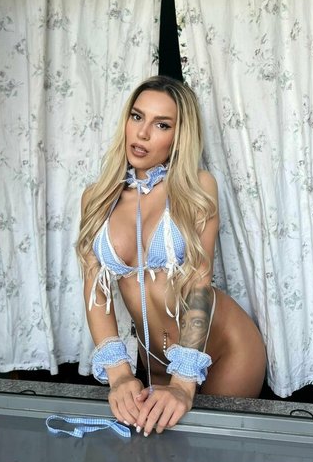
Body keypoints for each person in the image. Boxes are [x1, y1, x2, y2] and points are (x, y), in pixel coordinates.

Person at [77, 75, 266, 437]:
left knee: (211, 453)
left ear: (179, 136)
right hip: (155, 358)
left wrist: (183, 380)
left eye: (161, 124)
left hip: (225, 348)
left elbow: (199, 281)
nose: (143, 133)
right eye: (137, 117)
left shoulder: (197, 188)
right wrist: (118, 374)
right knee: (155, 450)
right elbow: (94, 289)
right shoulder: (96, 198)